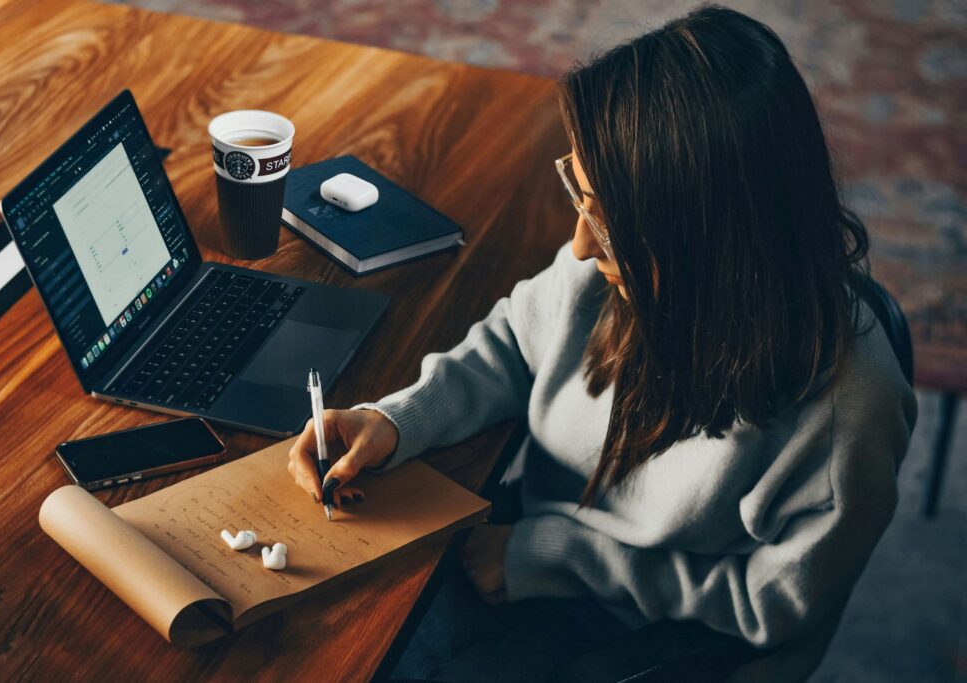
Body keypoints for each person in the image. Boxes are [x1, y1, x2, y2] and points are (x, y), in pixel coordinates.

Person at [287, 5, 917, 681]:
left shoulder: (849, 409)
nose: (582, 244)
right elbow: (514, 341)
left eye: (607, 221)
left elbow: (775, 602)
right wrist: (394, 419)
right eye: (582, 198)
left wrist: (554, 556)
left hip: (653, 637)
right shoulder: (621, 264)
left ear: (710, 244)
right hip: (523, 542)